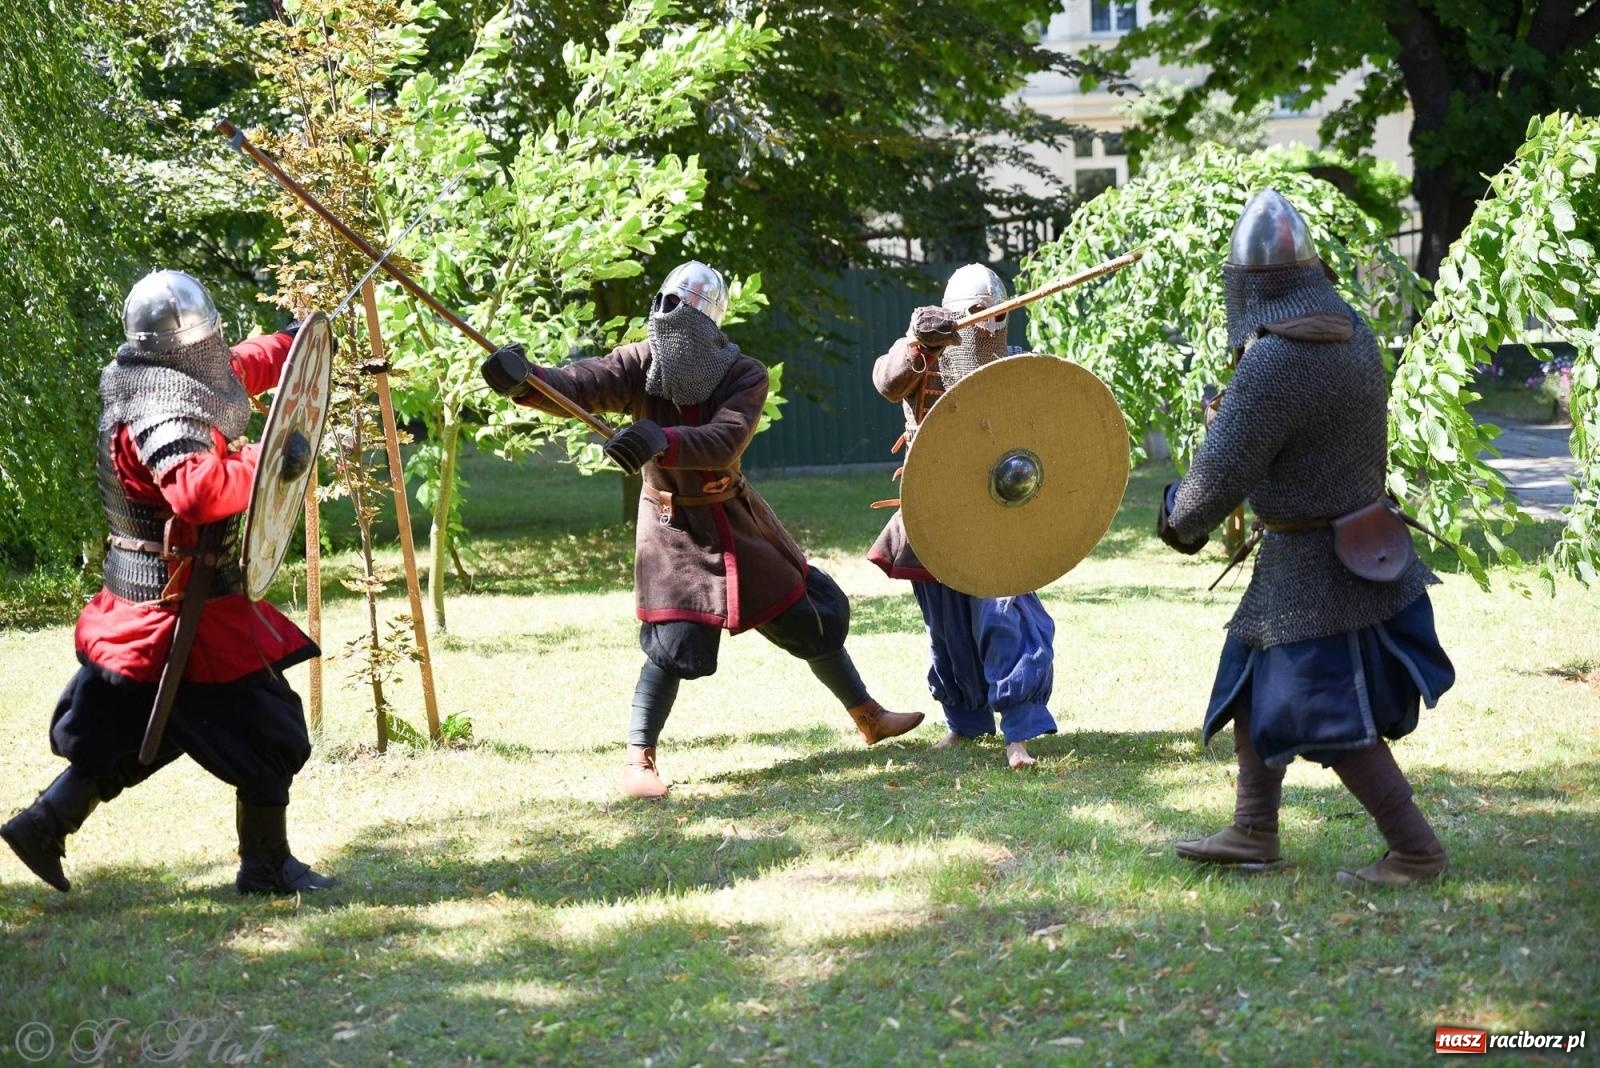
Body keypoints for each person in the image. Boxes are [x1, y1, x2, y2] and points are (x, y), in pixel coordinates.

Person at [481, 261, 924, 800]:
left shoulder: (744, 374)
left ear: (709, 322)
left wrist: (658, 438)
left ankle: (868, 716)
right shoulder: (640, 363)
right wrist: (527, 380)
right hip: (671, 530)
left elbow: (724, 439)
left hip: (733, 521)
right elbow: (581, 384)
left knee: (802, 608)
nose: (669, 318)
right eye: (665, 304)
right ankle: (638, 760)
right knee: (674, 641)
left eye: (682, 310)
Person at [1, 270, 333, 896]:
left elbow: (239, 367)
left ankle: (44, 825)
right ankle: (267, 868)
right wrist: (269, 457)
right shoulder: (162, 406)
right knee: (270, 729)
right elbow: (200, 492)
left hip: (161, 600)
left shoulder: (160, 376)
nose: (216, 350)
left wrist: (296, 346)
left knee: (127, 727)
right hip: (181, 612)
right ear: (185, 345)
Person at [1157, 190, 1456, 886]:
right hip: (1350, 543)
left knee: (1330, 717)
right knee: (1254, 686)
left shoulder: (1274, 363)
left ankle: (1416, 850)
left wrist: (1177, 513)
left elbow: (1212, 486)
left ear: (1246, 286)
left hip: (1314, 567)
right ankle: (1253, 830)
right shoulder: (1347, 325)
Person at [868, 265, 1056, 769]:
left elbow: (1049, 436)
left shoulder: (1018, 366)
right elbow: (887, 382)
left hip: (1000, 514)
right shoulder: (921, 361)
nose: (986, 326)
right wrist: (916, 343)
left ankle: (1019, 730)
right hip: (935, 511)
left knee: (1005, 616)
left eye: (993, 316)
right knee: (947, 627)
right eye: (973, 316)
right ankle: (965, 721)